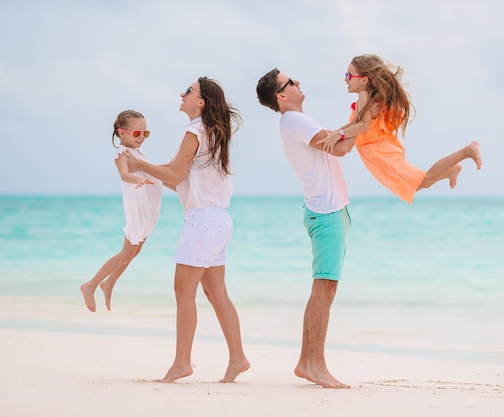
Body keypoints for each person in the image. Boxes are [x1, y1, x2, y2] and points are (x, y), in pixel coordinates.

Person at [126, 78, 250, 383]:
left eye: (188, 92)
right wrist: (145, 167)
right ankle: (238, 359)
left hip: (203, 221)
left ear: (201, 102)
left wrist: (136, 162)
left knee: (184, 291)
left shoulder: (194, 130)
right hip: (217, 221)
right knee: (216, 293)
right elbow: (175, 179)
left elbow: (175, 173)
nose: (182, 95)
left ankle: (182, 362)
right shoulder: (212, 133)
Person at [256, 68, 356, 389]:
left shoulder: (298, 121)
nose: (298, 82)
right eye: (290, 82)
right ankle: (313, 364)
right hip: (325, 212)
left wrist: (360, 115)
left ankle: (308, 362)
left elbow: (338, 140)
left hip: (329, 210)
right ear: (281, 96)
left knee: (326, 288)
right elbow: (340, 147)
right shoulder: (294, 120)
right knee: (323, 288)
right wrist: (365, 115)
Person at [319, 54, 482, 204]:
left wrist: (339, 134)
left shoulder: (364, 97)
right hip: (381, 150)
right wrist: (336, 134)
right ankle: (448, 171)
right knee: (417, 184)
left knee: (422, 181)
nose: (345, 79)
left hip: (380, 152)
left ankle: (466, 151)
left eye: (348, 76)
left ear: (364, 80)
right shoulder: (366, 97)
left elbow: (363, 126)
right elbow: (356, 122)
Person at [80, 110, 163, 312]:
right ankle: (91, 285)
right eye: (137, 133)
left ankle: (109, 283)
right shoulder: (122, 154)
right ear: (122, 133)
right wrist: (140, 180)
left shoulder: (140, 154)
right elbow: (125, 175)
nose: (142, 137)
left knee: (135, 251)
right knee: (126, 252)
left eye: (145, 133)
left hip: (148, 207)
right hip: (137, 206)